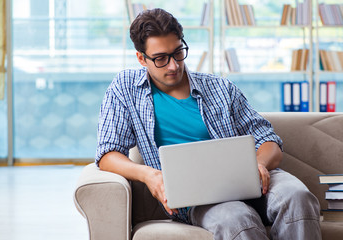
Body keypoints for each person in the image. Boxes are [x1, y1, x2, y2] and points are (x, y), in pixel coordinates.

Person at [95, 8, 321, 240]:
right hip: (197, 198)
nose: (173, 66)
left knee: (298, 197)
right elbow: (107, 154)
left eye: (178, 53)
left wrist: (259, 164)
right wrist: (149, 176)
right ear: (141, 58)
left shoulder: (220, 87)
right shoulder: (124, 89)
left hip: (252, 180)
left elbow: (268, 140)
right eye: (161, 58)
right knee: (237, 220)